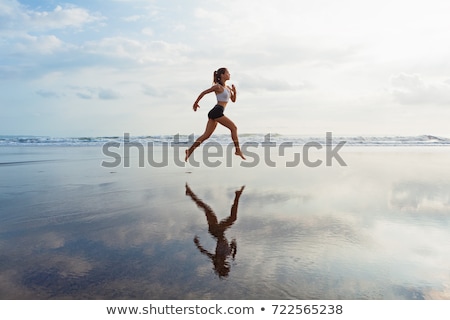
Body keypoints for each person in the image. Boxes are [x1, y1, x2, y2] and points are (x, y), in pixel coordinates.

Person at [185, 68, 246, 162]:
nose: (229, 74)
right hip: (217, 111)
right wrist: (196, 103)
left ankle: (190, 150)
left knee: (206, 135)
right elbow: (204, 92)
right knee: (233, 128)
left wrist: (235, 92)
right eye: (227, 73)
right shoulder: (218, 87)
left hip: (216, 112)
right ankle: (237, 150)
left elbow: (233, 100)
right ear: (222, 75)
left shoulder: (228, 88)